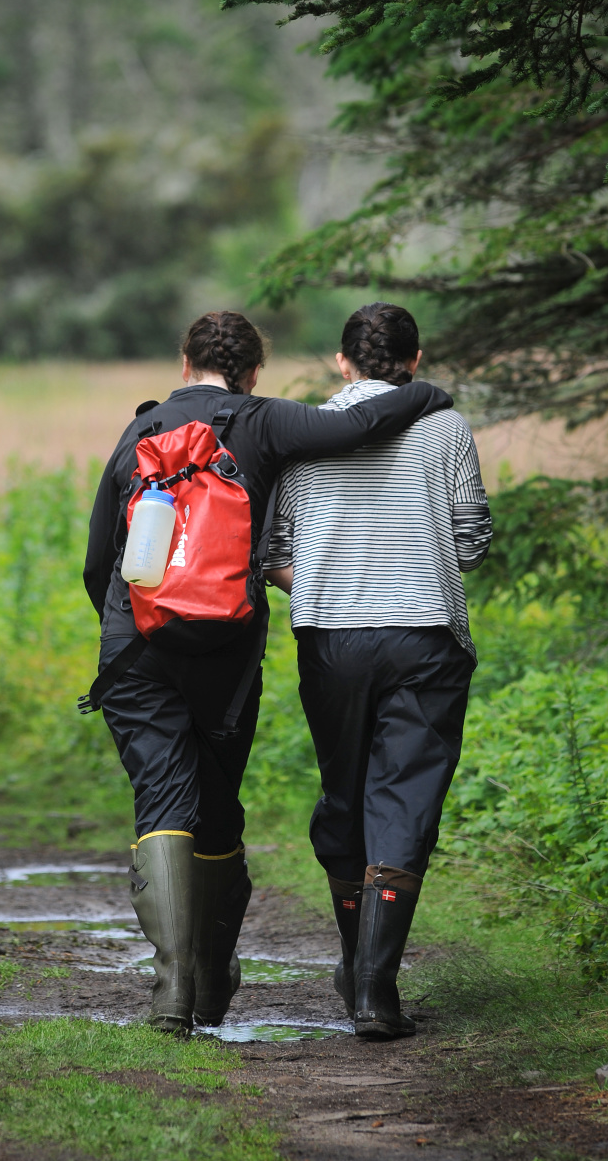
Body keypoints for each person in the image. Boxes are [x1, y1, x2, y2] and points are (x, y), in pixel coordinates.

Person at [83, 310, 454, 1035]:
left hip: (136, 651)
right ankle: (211, 976)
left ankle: (172, 998)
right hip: (224, 658)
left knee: (162, 800)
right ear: (256, 370)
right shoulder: (266, 421)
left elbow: (100, 558)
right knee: (216, 812)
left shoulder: (140, 431)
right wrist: (424, 390)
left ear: (184, 362)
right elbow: (360, 428)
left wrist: (132, 627)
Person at [264, 301, 492, 1041]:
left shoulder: (305, 432)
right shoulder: (446, 428)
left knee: (345, 795)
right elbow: (469, 545)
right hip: (424, 634)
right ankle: (374, 988)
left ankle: (355, 963)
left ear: (343, 362)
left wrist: (333, 586)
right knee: (404, 800)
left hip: (330, 640)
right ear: (415, 361)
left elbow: (273, 554)